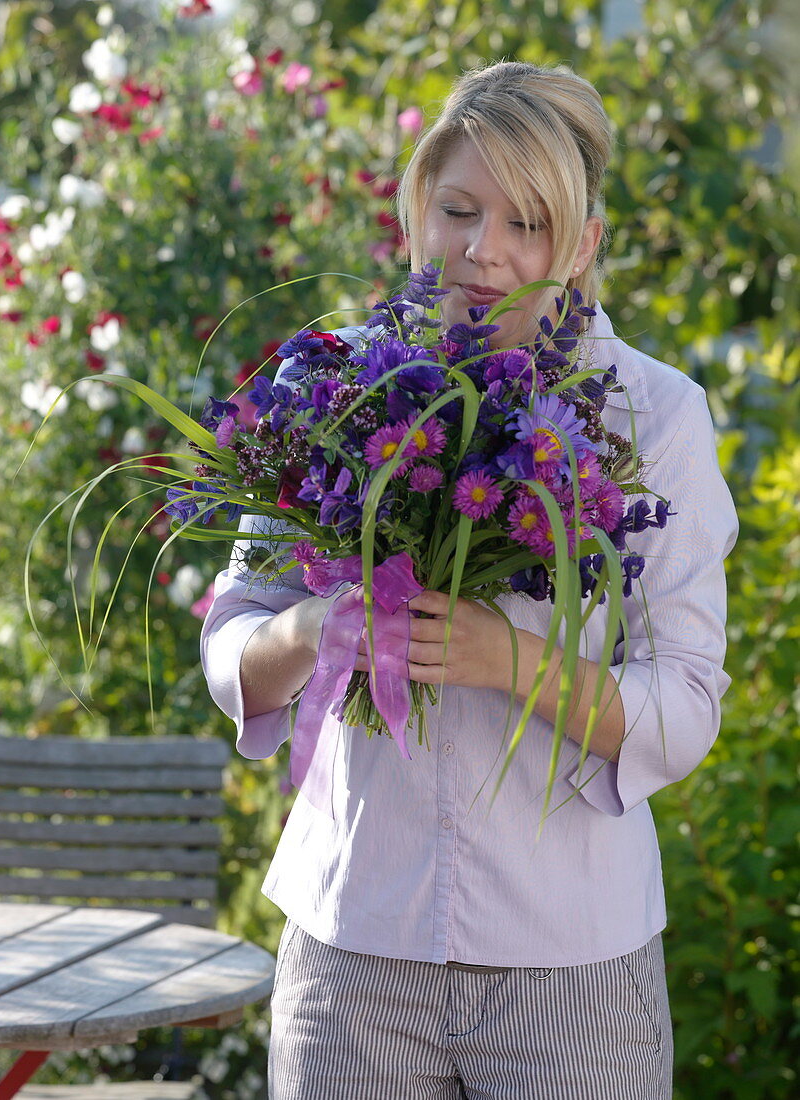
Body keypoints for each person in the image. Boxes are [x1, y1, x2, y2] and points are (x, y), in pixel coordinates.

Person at [200, 60, 738, 1100]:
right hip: (354, 950)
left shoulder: (654, 418)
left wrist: (509, 659)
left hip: (572, 970)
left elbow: (684, 704)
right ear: (418, 209)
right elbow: (234, 646)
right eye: (457, 208)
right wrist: (314, 625)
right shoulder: (340, 388)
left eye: (527, 223)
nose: (483, 250)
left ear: (581, 244)